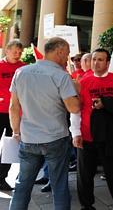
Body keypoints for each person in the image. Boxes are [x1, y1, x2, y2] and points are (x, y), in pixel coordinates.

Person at [8, 37, 80, 209]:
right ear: (59, 51)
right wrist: (77, 90)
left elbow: (13, 107)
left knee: (22, 185)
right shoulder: (61, 76)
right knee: (59, 186)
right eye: (67, 54)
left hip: (28, 138)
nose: (68, 58)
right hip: (55, 138)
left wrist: (16, 131)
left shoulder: (21, 72)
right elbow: (74, 108)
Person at [71, 48, 113, 210]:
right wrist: (75, 132)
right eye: (94, 59)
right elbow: (76, 110)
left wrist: (106, 102)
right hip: (87, 135)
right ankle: (87, 206)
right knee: (85, 175)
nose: (96, 63)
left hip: (111, 136)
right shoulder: (83, 81)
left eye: (100, 60)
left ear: (107, 63)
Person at [0, 39, 25, 190]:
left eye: (20, 52)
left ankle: (2, 177)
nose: (17, 54)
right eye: (15, 51)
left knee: (10, 146)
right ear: (7, 50)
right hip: (0, 110)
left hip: (15, 112)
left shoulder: (23, 68)